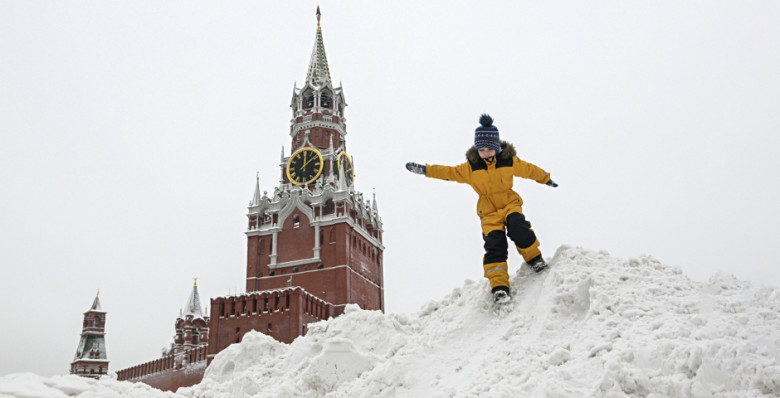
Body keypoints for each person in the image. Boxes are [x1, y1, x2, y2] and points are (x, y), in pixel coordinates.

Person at [405, 114, 558, 304]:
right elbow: (448, 172)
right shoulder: (471, 168)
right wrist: (425, 170)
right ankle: (499, 287)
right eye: (481, 150)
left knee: (518, 227)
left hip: (510, 204)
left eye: (488, 150)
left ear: (496, 148)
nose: (485, 153)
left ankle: (535, 259)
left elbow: (530, 170)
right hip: (488, 213)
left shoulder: (509, 161)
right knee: (495, 245)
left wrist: (546, 178)